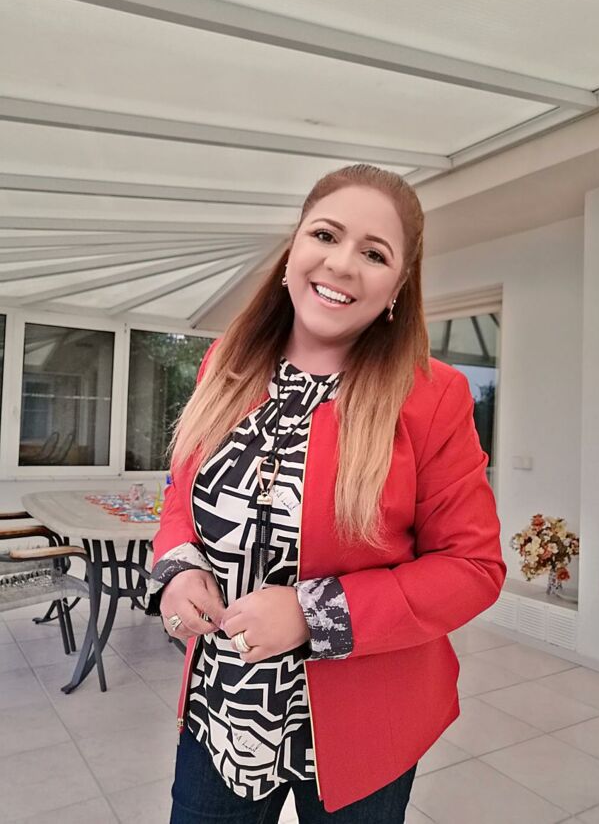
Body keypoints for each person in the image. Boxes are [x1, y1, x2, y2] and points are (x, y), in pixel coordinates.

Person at [146, 163, 506, 822]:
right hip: (220, 708)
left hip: (363, 728)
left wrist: (314, 615)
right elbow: (181, 496)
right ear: (293, 249)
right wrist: (178, 569)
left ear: (397, 287)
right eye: (326, 235)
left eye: (374, 253)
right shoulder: (225, 361)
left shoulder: (433, 396)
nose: (342, 263)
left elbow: (472, 568)